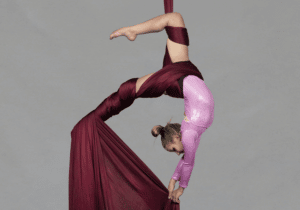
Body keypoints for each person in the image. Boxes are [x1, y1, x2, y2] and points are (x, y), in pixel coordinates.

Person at [69, 1, 214, 209]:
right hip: (180, 77)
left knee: (129, 90)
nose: (177, 153)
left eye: (172, 150)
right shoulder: (191, 135)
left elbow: (186, 161)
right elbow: (188, 162)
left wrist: (173, 181)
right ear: (175, 136)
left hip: (182, 78)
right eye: (174, 149)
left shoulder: (191, 134)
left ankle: (94, 118)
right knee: (174, 20)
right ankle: (132, 31)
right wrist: (181, 187)